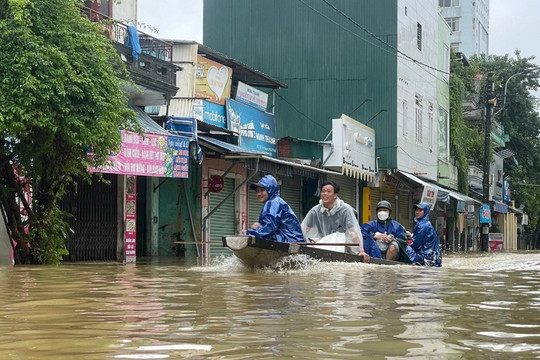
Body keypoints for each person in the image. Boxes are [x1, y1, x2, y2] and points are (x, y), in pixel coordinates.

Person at [301, 181, 371, 262]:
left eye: (328, 191)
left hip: (341, 246)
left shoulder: (345, 209)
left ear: (335, 195)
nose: (325, 194)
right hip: (322, 245)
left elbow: (353, 231)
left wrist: (361, 251)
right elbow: (304, 228)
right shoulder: (316, 210)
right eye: (323, 191)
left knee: (338, 236)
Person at [247, 174, 304, 242]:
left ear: (270, 190)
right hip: (289, 240)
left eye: (262, 190)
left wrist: (250, 234)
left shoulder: (273, 203)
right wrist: (259, 227)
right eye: (257, 191)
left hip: (289, 241)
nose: (259, 194)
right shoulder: (274, 201)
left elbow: (268, 227)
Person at [406, 202, 442, 267]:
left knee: (408, 248)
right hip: (433, 258)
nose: (417, 212)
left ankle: (415, 263)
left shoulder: (423, 226)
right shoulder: (427, 224)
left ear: (425, 211)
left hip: (425, 257)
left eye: (420, 210)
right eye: (416, 210)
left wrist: (406, 243)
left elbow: (416, 245)